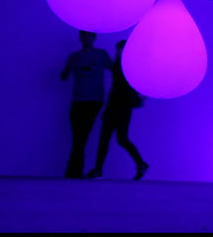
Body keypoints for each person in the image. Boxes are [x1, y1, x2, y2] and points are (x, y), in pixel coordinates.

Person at [87, 40, 148, 181]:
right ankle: (99, 170)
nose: (119, 52)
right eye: (118, 50)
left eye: (121, 50)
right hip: (117, 106)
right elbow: (116, 88)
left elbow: (123, 87)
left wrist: (139, 96)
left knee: (116, 138)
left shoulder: (127, 68)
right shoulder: (122, 67)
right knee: (112, 138)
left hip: (121, 106)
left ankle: (139, 164)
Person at [60, 30, 113, 179]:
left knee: (82, 134)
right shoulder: (74, 56)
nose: (85, 39)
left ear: (94, 38)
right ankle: (74, 170)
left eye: (88, 36)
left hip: (94, 100)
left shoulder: (101, 55)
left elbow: (116, 70)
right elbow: (63, 77)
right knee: (78, 135)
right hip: (77, 100)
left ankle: (74, 169)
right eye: (83, 36)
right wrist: (68, 66)